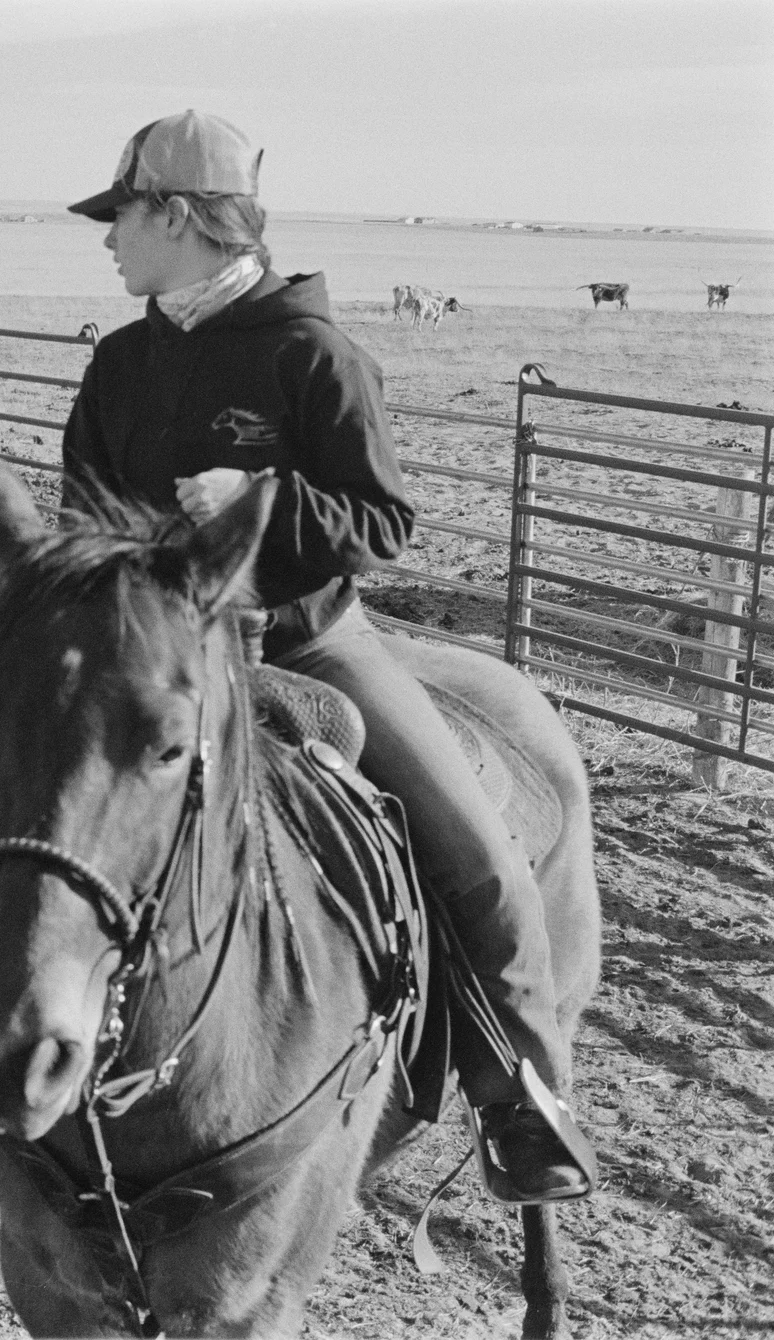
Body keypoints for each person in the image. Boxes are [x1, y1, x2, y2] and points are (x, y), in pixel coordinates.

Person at [57, 110, 592, 1204]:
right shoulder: (117, 364)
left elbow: (380, 520)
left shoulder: (311, 353)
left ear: (180, 216)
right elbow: (79, 518)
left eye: (121, 217)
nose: (106, 239)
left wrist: (259, 500)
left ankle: (522, 1100)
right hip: (162, 654)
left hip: (311, 641)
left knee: (480, 856)